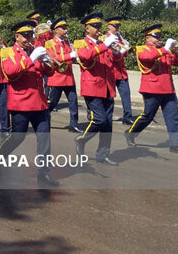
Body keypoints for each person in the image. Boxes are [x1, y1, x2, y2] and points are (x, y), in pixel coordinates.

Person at [0, 20, 59, 186]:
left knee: (44, 138)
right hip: (21, 103)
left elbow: (49, 72)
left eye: (30, 35)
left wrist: (47, 61)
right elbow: (10, 73)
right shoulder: (7, 52)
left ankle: (44, 172)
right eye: (25, 35)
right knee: (17, 137)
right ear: (17, 37)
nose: (29, 38)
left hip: (40, 103)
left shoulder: (35, 50)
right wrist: (31, 59)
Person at [124, 24, 178, 154]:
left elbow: (176, 63)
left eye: (160, 36)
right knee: (148, 116)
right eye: (156, 37)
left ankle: (175, 144)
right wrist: (166, 48)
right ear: (148, 38)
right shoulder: (142, 49)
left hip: (168, 88)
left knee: (173, 117)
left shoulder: (163, 50)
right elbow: (148, 58)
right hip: (152, 88)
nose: (159, 39)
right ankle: (131, 133)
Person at [73, 12, 119, 165]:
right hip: (92, 87)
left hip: (107, 86)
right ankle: (81, 139)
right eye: (95, 26)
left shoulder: (103, 42)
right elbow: (85, 56)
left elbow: (114, 60)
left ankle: (103, 154)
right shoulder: (81, 43)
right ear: (87, 28)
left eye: (100, 25)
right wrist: (105, 46)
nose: (99, 28)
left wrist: (117, 51)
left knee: (108, 123)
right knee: (99, 120)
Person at [45, 18, 81, 133]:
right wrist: (69, 55)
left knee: (73, 102)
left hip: (69, 77)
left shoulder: (66, 42)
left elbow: (71, 58)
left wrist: (76, 56)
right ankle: (43, 119)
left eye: (66, 28)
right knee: (53, 102)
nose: (66, 31)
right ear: (56, 30)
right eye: (63, 28)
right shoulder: (49, 43)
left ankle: (73, 125)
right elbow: (52, 59)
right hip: (57, 78)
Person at [105, 16, 134, 125]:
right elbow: (111, 56)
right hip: (111, 71)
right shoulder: (105, 38)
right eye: (115, 26)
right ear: (109, 26)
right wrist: (121, 51)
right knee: (109, 97)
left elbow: (124, 54)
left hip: (122, 72)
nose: (117, 28)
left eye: (118, 26)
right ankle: (105, 117)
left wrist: (126, 47)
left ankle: (127, 116)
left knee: (126, 95)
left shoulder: (119, 38)